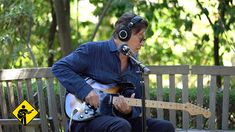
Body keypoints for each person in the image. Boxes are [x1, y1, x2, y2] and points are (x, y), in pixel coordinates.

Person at [52, 12, 175, 132]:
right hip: (85, 119)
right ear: (124, 34)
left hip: (117, 119)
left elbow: (136, 107)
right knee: (121, 126)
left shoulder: (135, 66)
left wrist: (128, 111)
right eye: (140, 37)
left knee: (165, 127)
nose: (143, 43)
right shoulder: (93, 50)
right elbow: (59, 67)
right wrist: (85, 91)